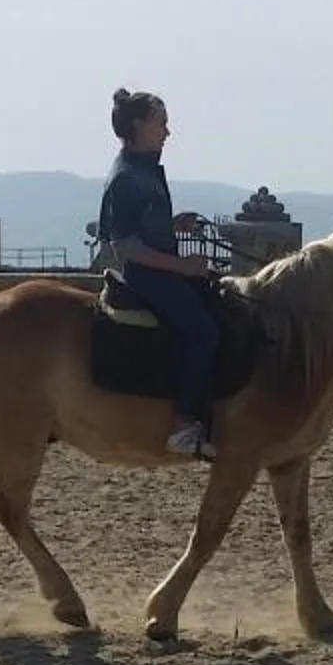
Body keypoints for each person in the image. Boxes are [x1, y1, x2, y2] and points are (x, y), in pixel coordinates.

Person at [96, 88, 225, 457]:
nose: (168, 132)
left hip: (159, 270)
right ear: (139, 125)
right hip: (147, 276)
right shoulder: (127, 178)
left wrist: (174, 226)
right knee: (203, 331)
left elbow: (145, 228)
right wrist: (182, 265)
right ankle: (183, 423)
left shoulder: (143, 170)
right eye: (161, 123)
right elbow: (128, 247)